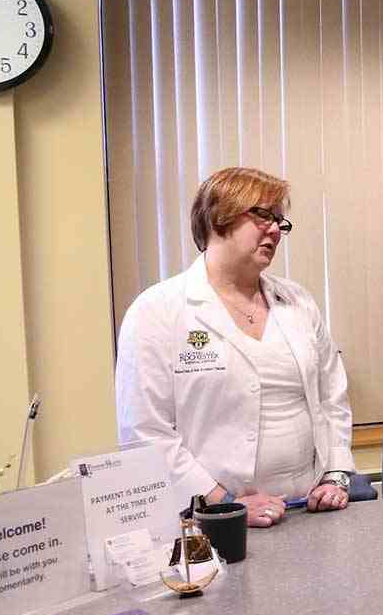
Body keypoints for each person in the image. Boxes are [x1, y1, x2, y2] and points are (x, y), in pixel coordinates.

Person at [115, 167, 354, 528]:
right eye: (262, 215)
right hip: (209, 520)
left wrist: (336, 475)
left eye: (280, 221)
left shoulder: (298, 302)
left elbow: (332, 396)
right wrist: (223, 502)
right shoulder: (157, 311)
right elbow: (144, 433)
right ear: (217, 216)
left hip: (308, 509)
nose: (275, 229)